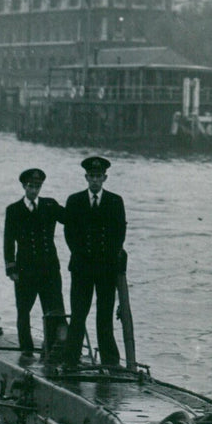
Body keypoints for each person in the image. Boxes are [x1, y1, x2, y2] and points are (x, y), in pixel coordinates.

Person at [62, 155, 127, 368]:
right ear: (86, 177)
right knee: (79, 314)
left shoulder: (115, 201)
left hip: (105, 269)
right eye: (92, 176)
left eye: (99, 176)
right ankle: (71, 359)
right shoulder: (75, 201)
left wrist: (107, 259)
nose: (95, 180)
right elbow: (69, 233)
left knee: (105, 316)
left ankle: (110, 360)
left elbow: (119, 234)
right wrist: (82, 256)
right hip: (82, 268)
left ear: (105, 178)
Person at [3, 168, 66, 361]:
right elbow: (8, 240)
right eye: (30, 186)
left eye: (37, 186)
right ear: (24, 186)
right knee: (24, 310)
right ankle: (26, 348)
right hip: (25, 270)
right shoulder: (14, 210)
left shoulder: (50, 205)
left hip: (49, 269)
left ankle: (51, 348)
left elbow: (71, 219)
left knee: (53, 309)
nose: (34, 190)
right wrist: (11, 267)